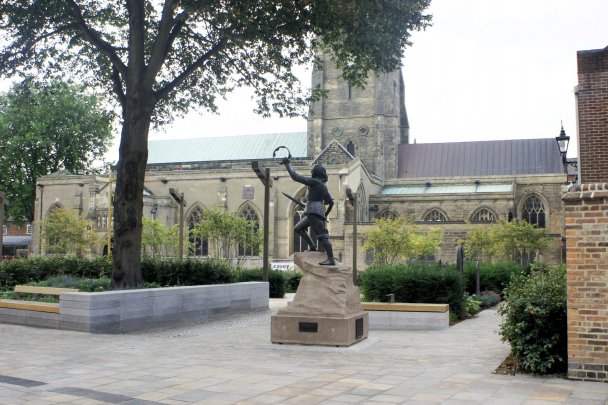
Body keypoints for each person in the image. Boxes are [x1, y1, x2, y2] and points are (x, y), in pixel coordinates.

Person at [282, 157, 336, 265]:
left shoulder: (315, 182)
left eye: (312, 170)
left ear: (315, 172)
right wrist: (325, 214)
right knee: (298, 228)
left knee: (322, 235)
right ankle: (312, 246)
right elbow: (331, 203)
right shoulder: (323, 186)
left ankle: (331, 259)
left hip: (313, 211)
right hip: (314, 210)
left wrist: (287, 164)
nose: (311, 171)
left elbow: (295, 176)